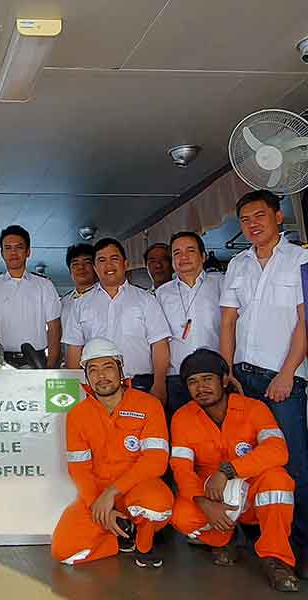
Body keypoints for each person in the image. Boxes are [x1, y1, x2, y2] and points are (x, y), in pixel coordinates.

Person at [219, 189, 308, 577]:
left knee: (293, 463)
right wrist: (227, 373)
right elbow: (227, 322)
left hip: (283, 379)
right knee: (244, 454)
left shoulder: (301, 259)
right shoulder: (237, 264)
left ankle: (300, 545)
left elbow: (305, 321)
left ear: (278, 217)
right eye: (245, 219)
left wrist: (288, 372)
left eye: (260, 215)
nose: (253, 224)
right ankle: (251, 538)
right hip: (243, 377)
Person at [170, 349, 299, 592]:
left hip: (251, 496)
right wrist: (202, 501)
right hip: (212, 498)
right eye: (193, 382)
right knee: (180, 515)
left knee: (278, 481)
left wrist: (228, 470)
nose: (201, 387)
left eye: (207, 379)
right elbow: (181, 468)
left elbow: (277, 451)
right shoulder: (182, 417)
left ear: (225, 380)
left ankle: (277, 560)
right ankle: (222, 541)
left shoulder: (254, 408)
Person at [51, 337, 173, 568]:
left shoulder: (148, 405)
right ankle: (119, 538)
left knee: (156, 504)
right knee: (63, 552)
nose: (101, 376)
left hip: (138, 487)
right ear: (86, 376)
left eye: (108, 367)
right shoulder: (77, 415)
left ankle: (144, 544)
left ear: (120, 369)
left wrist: (112, 494)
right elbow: (79, 469)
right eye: (93, 370)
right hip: (97, 494)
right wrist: (99, 505)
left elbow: (156, 462)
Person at [63, 237, 171, 402]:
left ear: (125, 264)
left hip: (140, 385)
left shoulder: (146, 300)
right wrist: (77, 388)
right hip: (97, 387)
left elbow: (159, 344)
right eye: (102, 260)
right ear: (95, 267)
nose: (108, 265)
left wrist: (159, 384)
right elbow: (73, 351)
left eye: (114, 259)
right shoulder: (80, 304)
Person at [0, 225, 62, 368]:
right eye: (8, 248)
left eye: (18, 247)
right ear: (2, 253)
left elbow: (54, 328)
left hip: (36, 360)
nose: (13, 252)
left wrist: (50, 367)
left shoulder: (44, 286)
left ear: (28, 252)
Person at [155, 232, 224, 417]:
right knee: (182, 436)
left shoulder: (221, 283)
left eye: (190, 250)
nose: (183, 257)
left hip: (215, 376)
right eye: (177, 253)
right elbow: (158, 340)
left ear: (203, 256)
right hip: (177, 378)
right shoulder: (162, 293)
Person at [59, 243, 97, 335]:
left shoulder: (106, 297)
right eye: (75, 264)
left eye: (87, 262)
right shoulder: (64, 302)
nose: (81, 267)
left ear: (96, 267)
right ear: (70, 270)